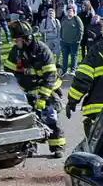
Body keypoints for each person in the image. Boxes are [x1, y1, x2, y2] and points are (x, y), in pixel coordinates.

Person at [7, 22, 64, 157]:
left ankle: (57, 146)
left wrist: (43, 98)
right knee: (27, 119)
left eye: (18, 39)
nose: (15, 42)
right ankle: (30, 147)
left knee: (50, 117)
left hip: (47, 89)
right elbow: (8, 73)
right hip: (27, 90)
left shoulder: (42, 50)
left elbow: (50, 76)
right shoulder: (16, 51)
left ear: (27, 38)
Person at [59, 4, 83, 75]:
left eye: (71, 11)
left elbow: (81, 30)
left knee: (73, 56)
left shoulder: (77, 19)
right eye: (68, 11)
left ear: (73, 12)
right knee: (64, 57)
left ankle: (73, 70)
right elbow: (61, 29)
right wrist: (61, 38)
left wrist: (78, 39)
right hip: (64, 42)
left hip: (74, 42)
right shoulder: (64, 19)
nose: (69, 12)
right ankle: (64, 71)